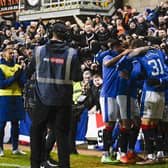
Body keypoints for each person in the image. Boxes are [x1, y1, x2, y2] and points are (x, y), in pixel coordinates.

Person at [26, 21, 83, 168]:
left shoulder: (38, 51)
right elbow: (78, 77)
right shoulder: (72, 53)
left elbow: (28, 73)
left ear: (51, 33)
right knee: (62, 136)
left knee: (37, 133)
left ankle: (35, 164)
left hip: (42, 99)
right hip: (63, 101)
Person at [0, 45, 26, 157]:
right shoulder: (1, 67)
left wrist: (20, 77)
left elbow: (23, 83)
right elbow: (2, 85)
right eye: (10, 53)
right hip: (4, 97)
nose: (12, 55)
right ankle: (0, 148)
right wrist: (14, 78)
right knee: (2, 124)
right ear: (4, 54)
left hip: (17, 96)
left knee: (16, 124)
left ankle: (15, 148)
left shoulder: (17, 67)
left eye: (13, 53)